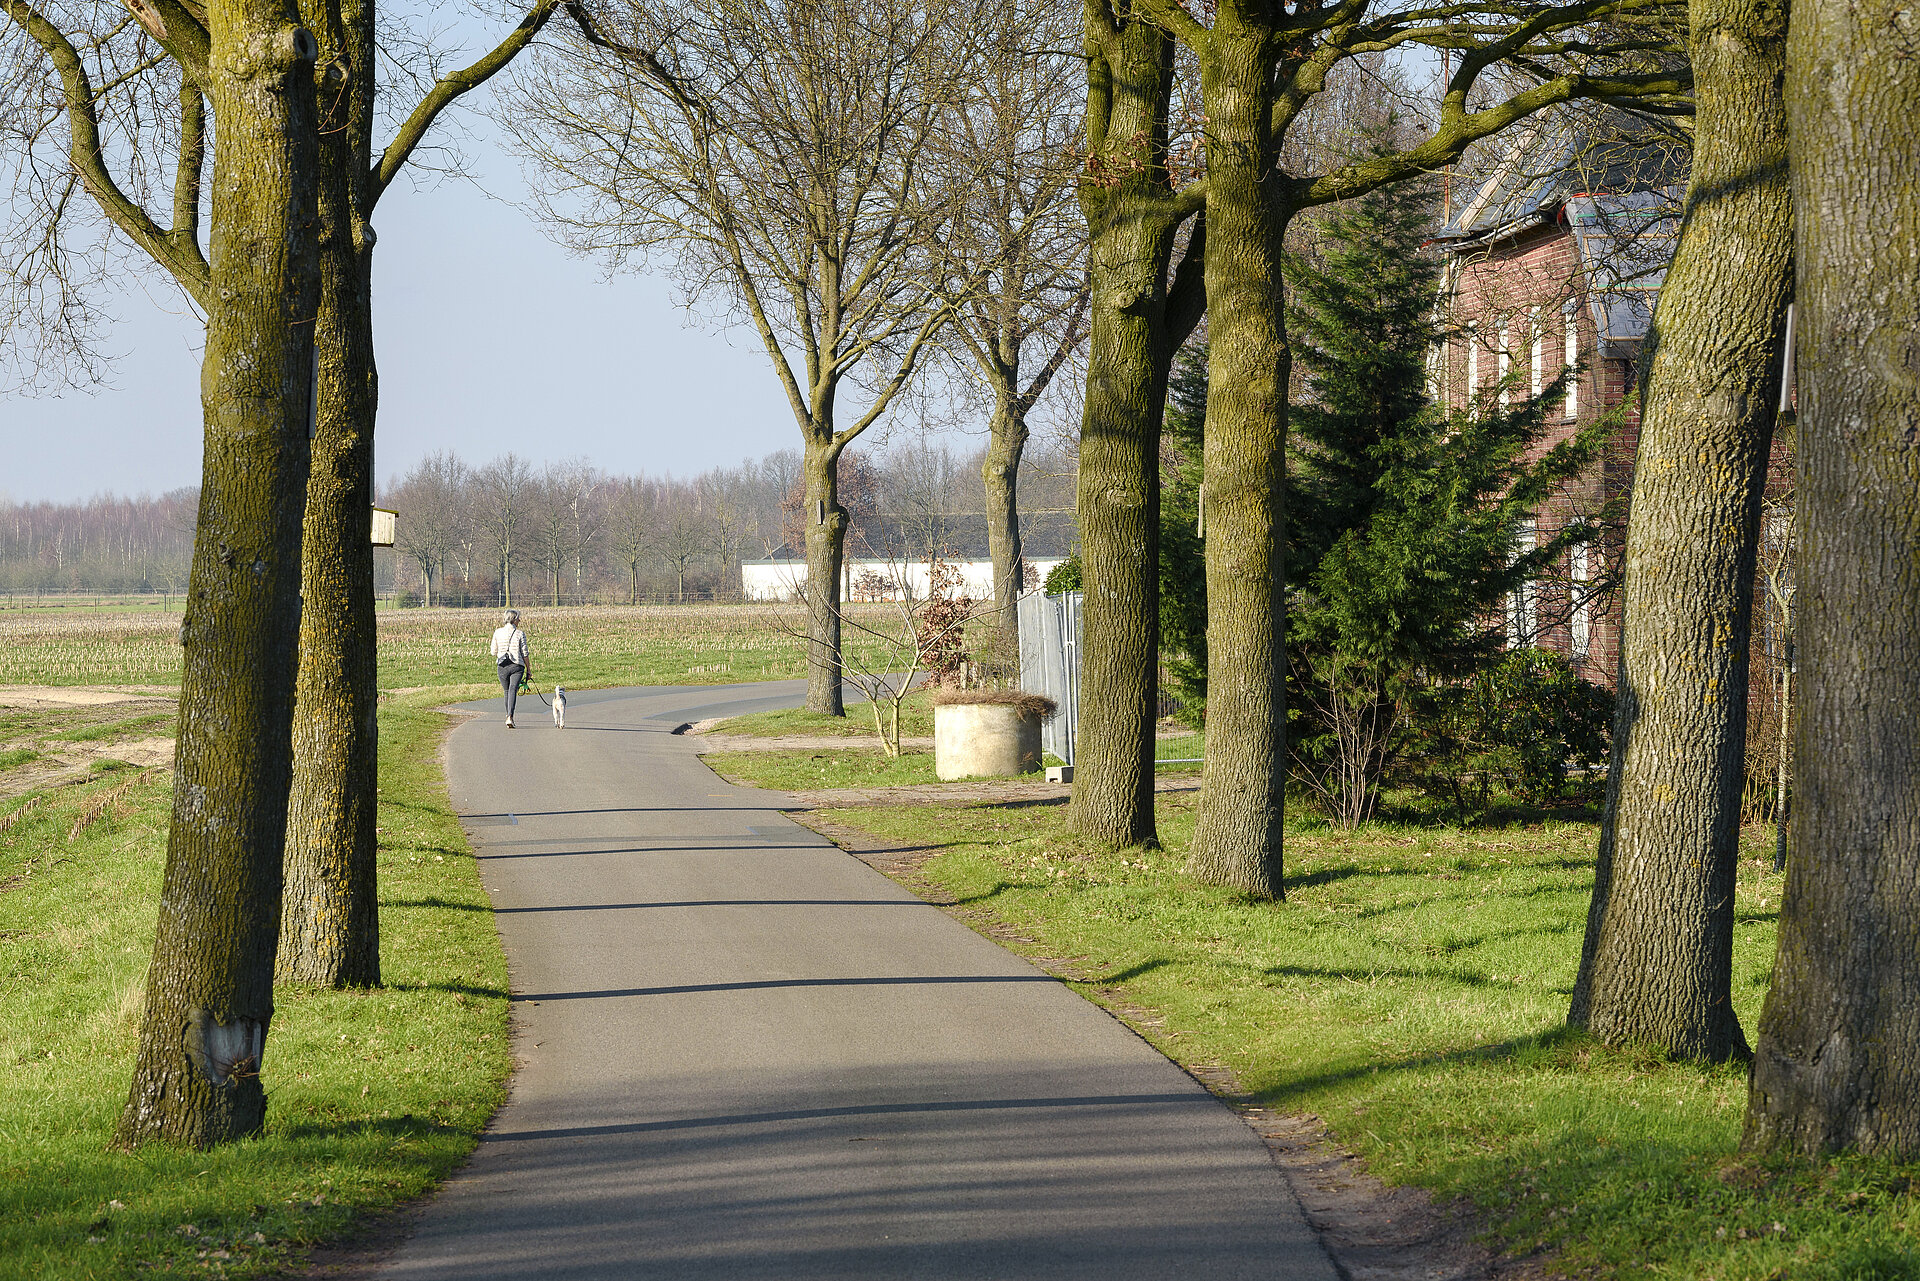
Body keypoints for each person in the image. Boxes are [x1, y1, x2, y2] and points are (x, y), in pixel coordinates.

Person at [490, 610, 531, 728]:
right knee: (513, 689)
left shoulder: (497, 632)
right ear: (514, 619)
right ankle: (510, 716)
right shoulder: (519, 633)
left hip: (502, 665)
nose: (520, 620)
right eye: (518, 618)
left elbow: (493, 652)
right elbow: (525, 653)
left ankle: (507, 715)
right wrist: (529, 670)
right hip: (517, 666)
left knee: (506, 691)